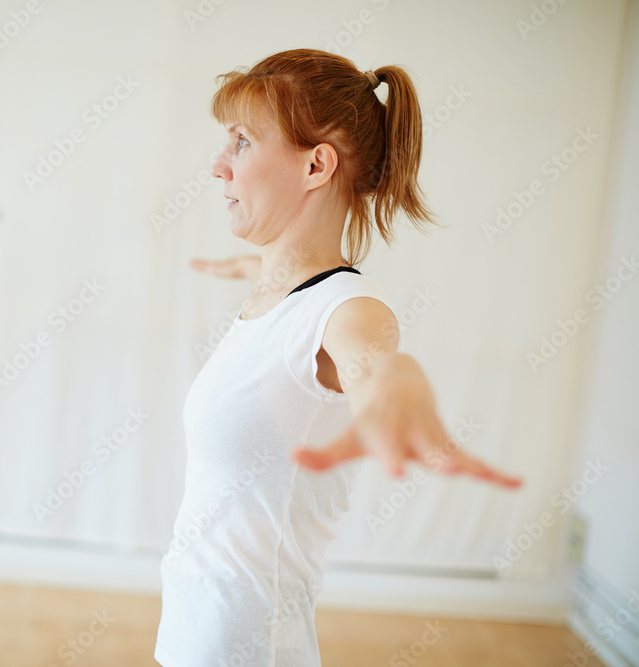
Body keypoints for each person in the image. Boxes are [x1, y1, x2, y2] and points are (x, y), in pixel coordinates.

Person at [154, 49, 522, 667]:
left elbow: (371, 354)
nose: (219, 167)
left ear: (316, 165)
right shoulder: (273, 301)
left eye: (241, 142)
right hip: (195, 635)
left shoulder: (348, 312)